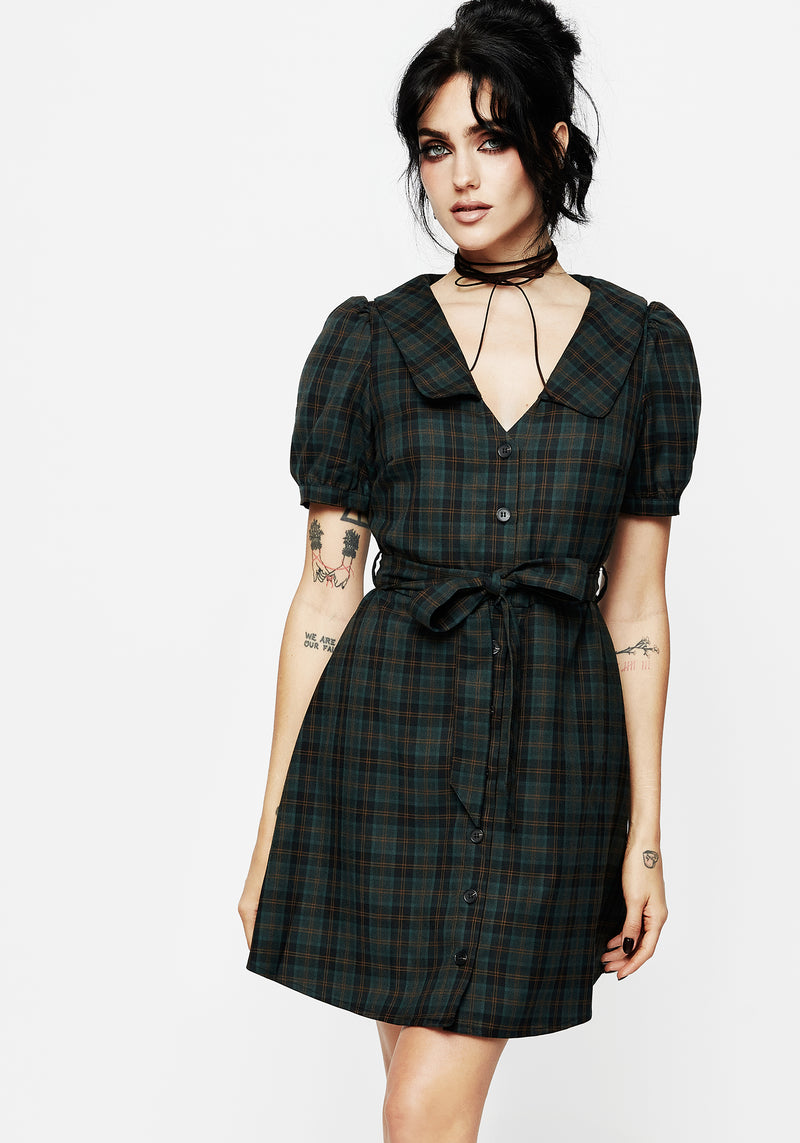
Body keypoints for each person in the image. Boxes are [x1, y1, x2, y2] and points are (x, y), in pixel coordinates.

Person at [238, 1, 701, 1139]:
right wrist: (274, 825)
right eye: (435, 147)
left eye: (491, 140)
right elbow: (324, 591)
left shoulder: (641, 349)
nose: (459, 176)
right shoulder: (369, 341)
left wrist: (644, 835)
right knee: (419, 1108)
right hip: (381, 747)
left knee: (421, 1109)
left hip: (551, 760)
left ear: (551, 142)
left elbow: (637, 609)